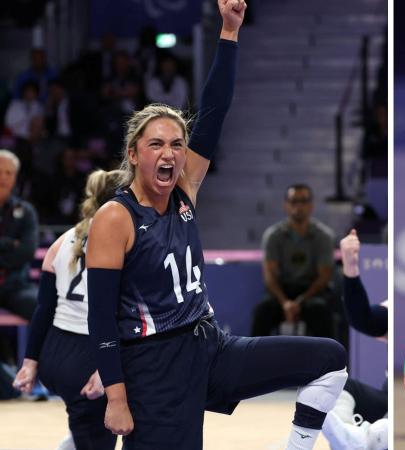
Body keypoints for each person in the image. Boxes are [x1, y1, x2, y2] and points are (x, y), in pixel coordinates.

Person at [85, 2, 347, 449]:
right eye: (156, 145)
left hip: (210, 346)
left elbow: (215, 108)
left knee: (329, 358)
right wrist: (116, 396)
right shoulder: (116, 217)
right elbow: (101, 319)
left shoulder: (184, 191)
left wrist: (229, 31)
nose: (169, 154)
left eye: (177, 145)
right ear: (133, 154)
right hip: (155, 363)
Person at [13, 169, 125, 450]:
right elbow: (119, 312)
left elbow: (44, 309)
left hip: (55, 354)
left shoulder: (62, 241)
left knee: (86, 432)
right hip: (90, 357)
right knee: (95, 437)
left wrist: (30, 363)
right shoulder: (122, 241)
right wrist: (107, 369)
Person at [322, 230, 388, 450]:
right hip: (389, 400)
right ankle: (349, 437)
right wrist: (350, 267)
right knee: (337, 384)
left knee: (383, 431)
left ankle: (368, 438)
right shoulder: (401, 305)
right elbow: (364, 319)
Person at [251, 184, 338, 340]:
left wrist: (299, 302)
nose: (298, 206)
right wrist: (285, 303)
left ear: (311, 205)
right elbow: (269, 276)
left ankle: (331, 363)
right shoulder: (273, 236)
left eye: (303, 201)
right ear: (286, 205)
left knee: (320, 309)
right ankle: (253, 362)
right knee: (263, 310)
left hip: (312, 292)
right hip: (282, 292)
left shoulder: (324, 236)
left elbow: (324, 277)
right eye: (294, 201)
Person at [0, 149, 38, 321]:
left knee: (42, 307)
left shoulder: (26, 211)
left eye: (8, 173)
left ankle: (34, 349)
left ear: (15, 177)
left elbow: (27, 251)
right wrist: (9, 244)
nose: (3, 177)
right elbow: (17, 249)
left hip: (15, 286)